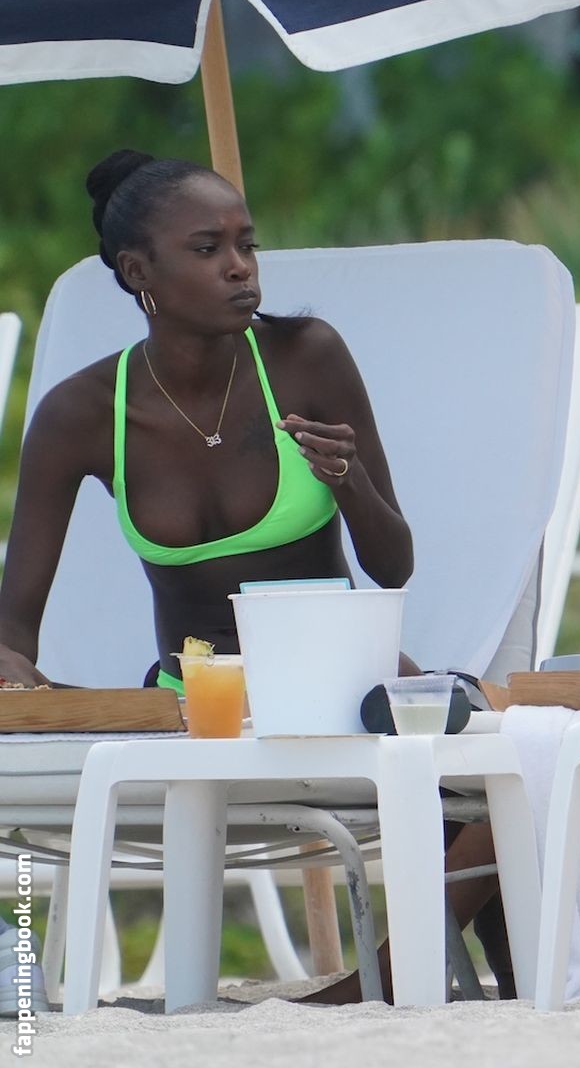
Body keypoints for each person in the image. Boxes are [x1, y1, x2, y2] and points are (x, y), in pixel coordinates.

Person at [0, 151, 503, 1003]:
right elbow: (14, 626)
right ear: (138, 272)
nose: (240, 267)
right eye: (208, 249)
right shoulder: (82, 413)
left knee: (501, 784)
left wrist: (349, 483)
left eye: (247, 243)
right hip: (195, 705)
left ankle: (387, 982)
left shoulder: (306, 358)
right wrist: (13, 672)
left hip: (343, 690)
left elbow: (393, 565)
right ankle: (381, 987)